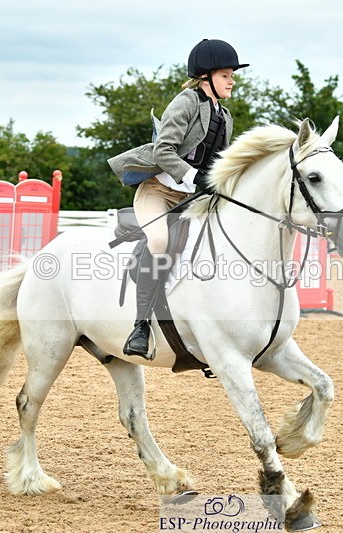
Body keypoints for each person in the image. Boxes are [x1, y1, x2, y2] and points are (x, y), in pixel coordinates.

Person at [108, 38, 249, 359]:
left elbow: (217, 161)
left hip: (191, 198)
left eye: (231, 75)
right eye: (227, 75)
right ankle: (141, 326)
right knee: (159, 242)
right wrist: (194, 177)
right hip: (158, 192)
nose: (232, 80)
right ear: (207, 77)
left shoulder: (224, 117)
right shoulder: (185, 102)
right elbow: (164, 150)